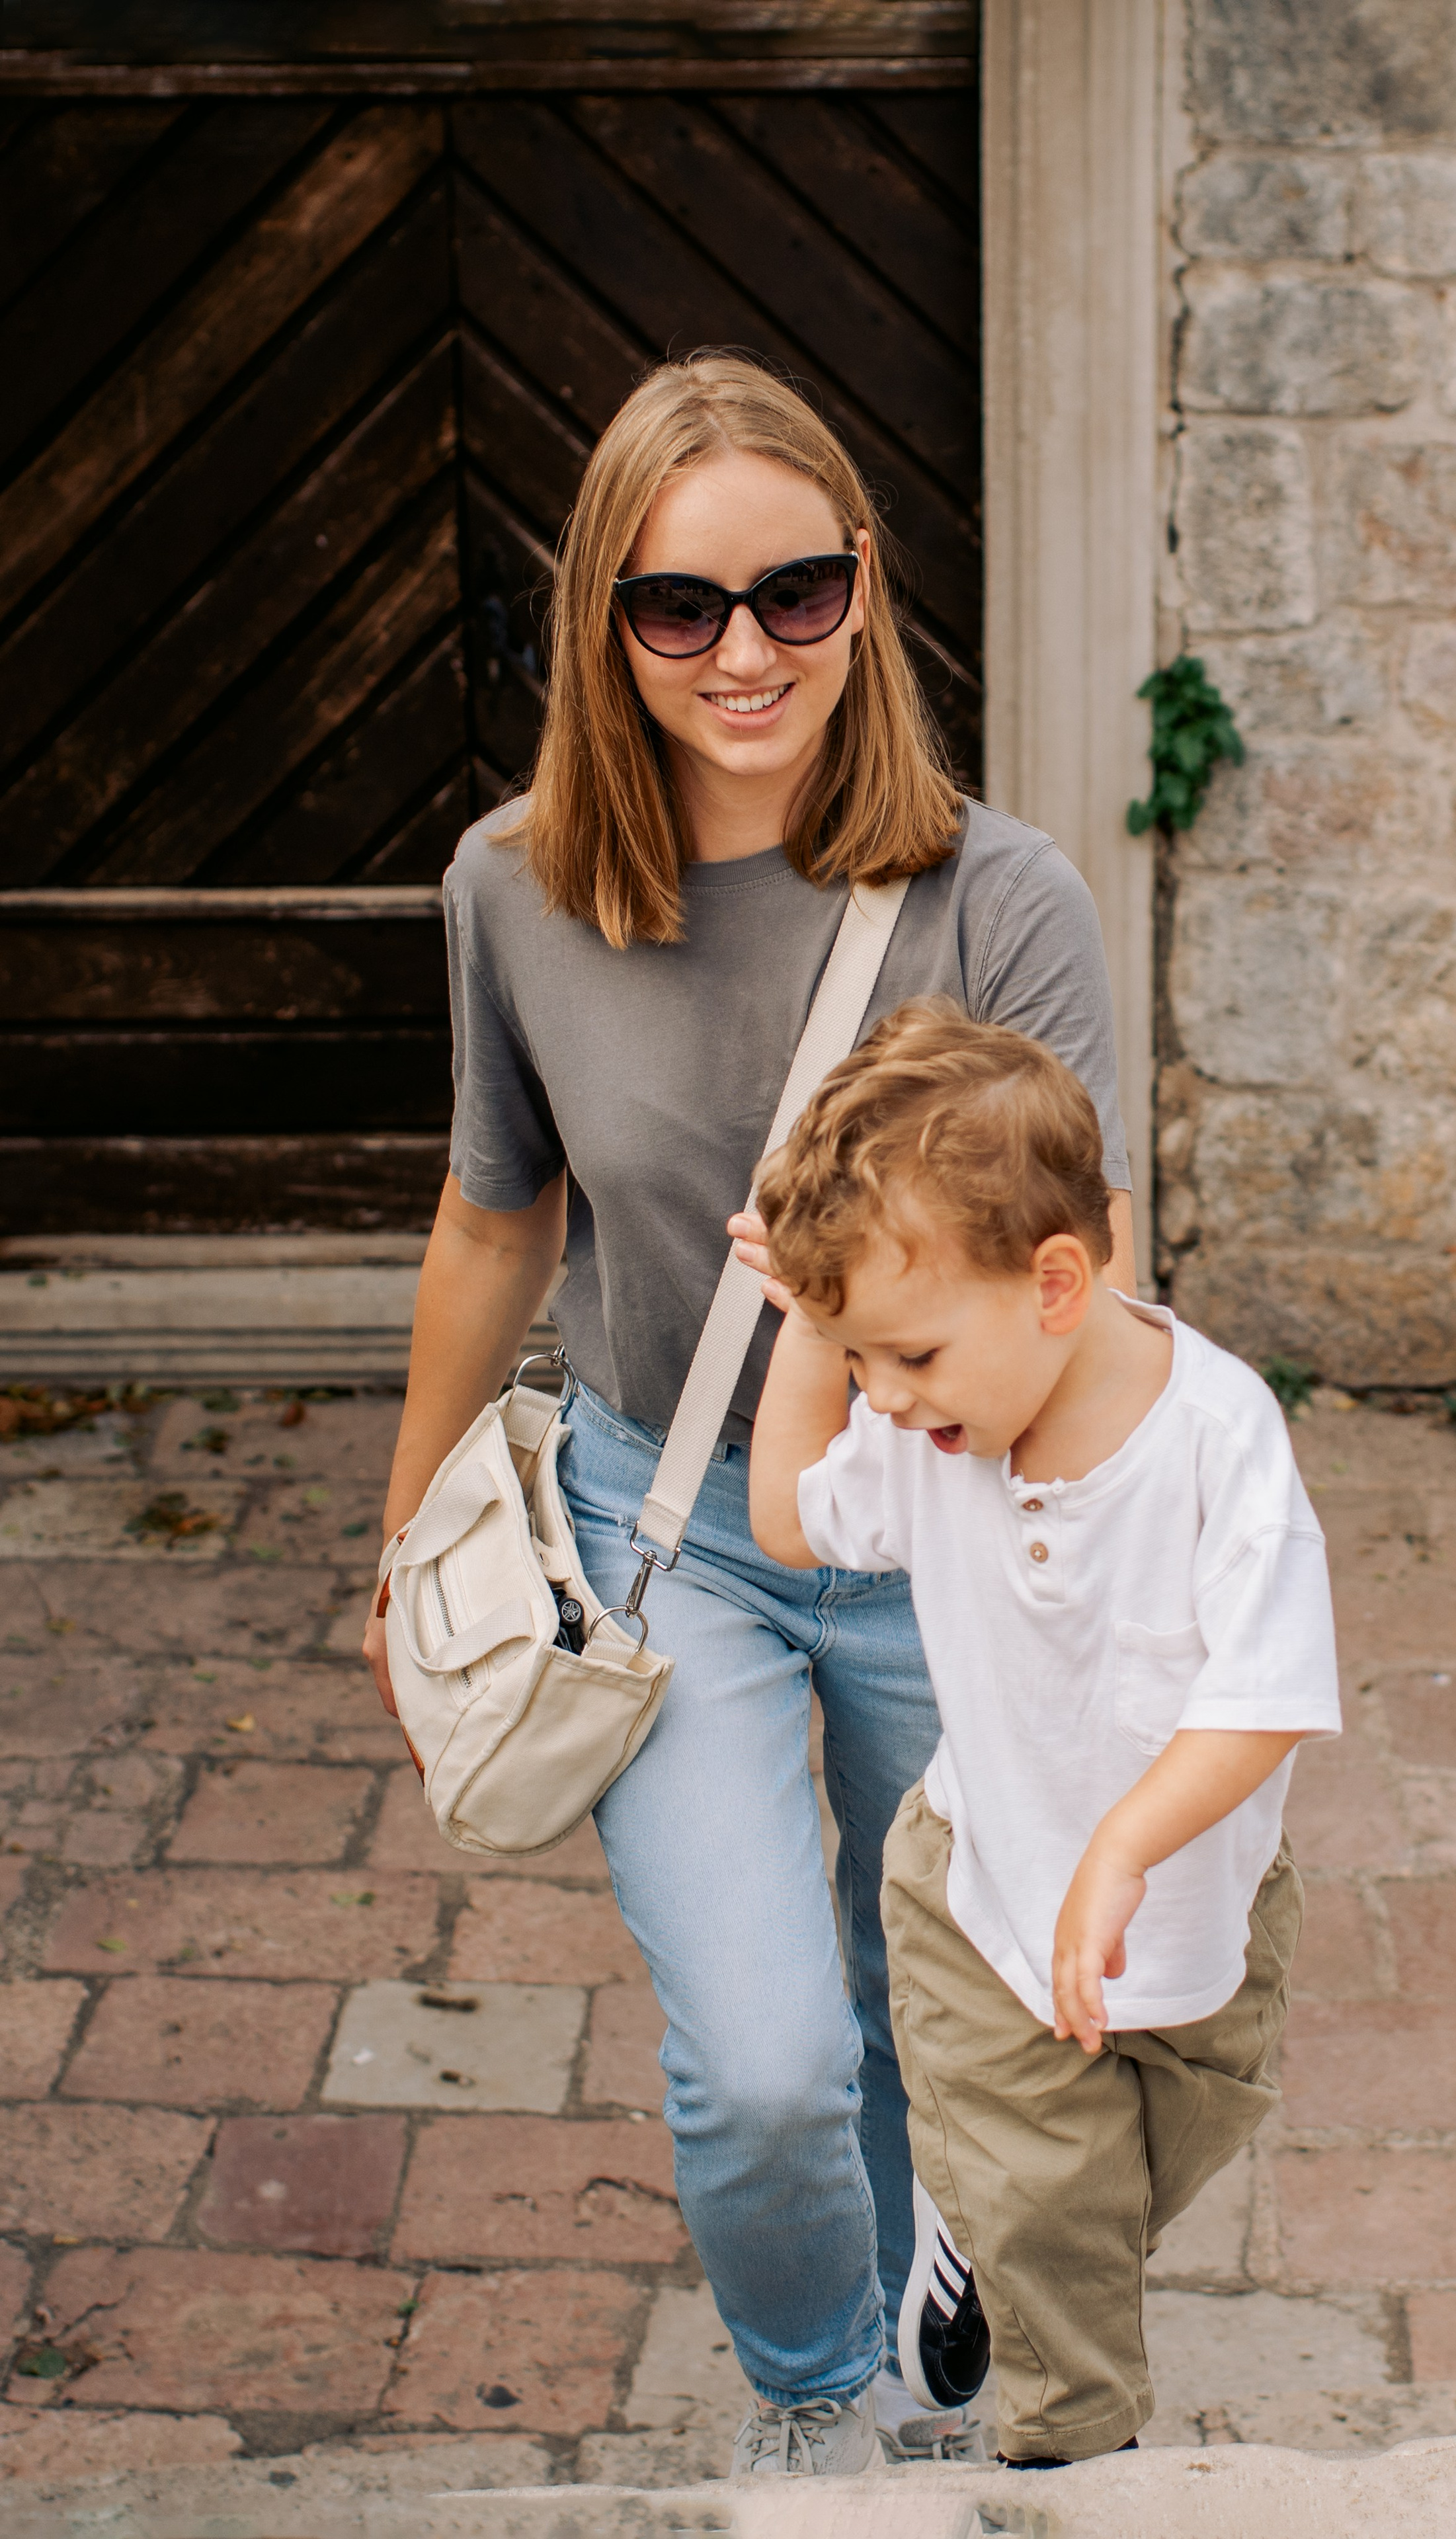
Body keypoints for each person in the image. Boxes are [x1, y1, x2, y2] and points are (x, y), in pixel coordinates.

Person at [360, 352, 1139, 2477]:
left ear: (866, 592)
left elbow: (1102, 1288)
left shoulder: (1004, 898)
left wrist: (1114, 1578)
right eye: (680, 607)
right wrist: (415, 1522)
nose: (744, 653)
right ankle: (816, 2403)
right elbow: (493, 1222)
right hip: (662, 1525)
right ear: (602, 619)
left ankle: (931, 2358)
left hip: (948, 1538)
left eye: (796, 594)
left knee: (934, 2026)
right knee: (772, 2063)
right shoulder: (514, 889)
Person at [747, 1000, 1341, 2466]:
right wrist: (806, 1338)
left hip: (1188, 1925)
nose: (881, 1398)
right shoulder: (928, 1425)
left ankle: (984, 2225)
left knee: (1125, 2187)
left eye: (910, 1355)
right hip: (975, 1895)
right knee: (1060, 2236)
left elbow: (1262, 1694)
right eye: (860, 1362)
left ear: (1057, 1283)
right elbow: (782, 1519)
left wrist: (1125, 1850)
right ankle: (1067, 2463)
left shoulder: (1215, 1439)